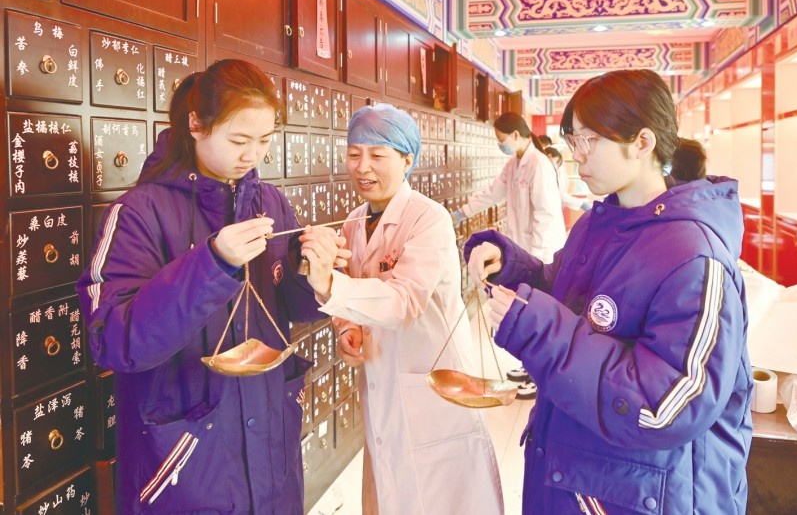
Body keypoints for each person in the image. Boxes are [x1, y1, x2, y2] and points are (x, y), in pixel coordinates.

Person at [464, 69, 752, 514]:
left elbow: (665, 407)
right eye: (573, 140)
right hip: (576, 470)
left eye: (590, 140)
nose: (577, 155)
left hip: (642, 493)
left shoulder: (695, 255)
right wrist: (511, 266)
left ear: (642, 142)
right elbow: (564, 292)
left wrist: (539, 329)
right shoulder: (597, 224)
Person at [76, 59, 347, 514]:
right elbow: (114, 342)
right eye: (239, 140)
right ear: (196, 125)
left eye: (264, 140)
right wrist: (212, 264)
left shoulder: (270, 202)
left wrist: (315, 276)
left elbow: (293, 307)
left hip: (270, 451)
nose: (253, 155)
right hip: (185, 463)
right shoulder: (139, 213)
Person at [298, 103, 504, 515]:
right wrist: (345, 328)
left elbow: (404, 302)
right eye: (354, 154)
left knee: (443, 498)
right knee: (389, 491)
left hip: (432, 383)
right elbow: (352, 294)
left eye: (377, 155)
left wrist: (329, 284)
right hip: (383, 385)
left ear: (407, 160)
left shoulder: (429, 219)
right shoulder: (355, 221)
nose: (362, 167)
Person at [452, 111, 566, 398]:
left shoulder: (539, 164)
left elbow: (546, 216)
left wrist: (536, 260)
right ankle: (528, 367)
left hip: (540, 253)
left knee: (535, 315)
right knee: (523, 314)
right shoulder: (514, 163)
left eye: (502, 139)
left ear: (516, 135)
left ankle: (538, 375)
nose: (500, 144)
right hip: (523, 253)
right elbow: (492, 192)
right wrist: (462, 212)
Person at [543, 145, 591, 212]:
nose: (555, 164)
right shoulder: (545, 166)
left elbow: (561, 190)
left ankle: (584, 205)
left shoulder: (558, 166)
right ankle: (584, 205)